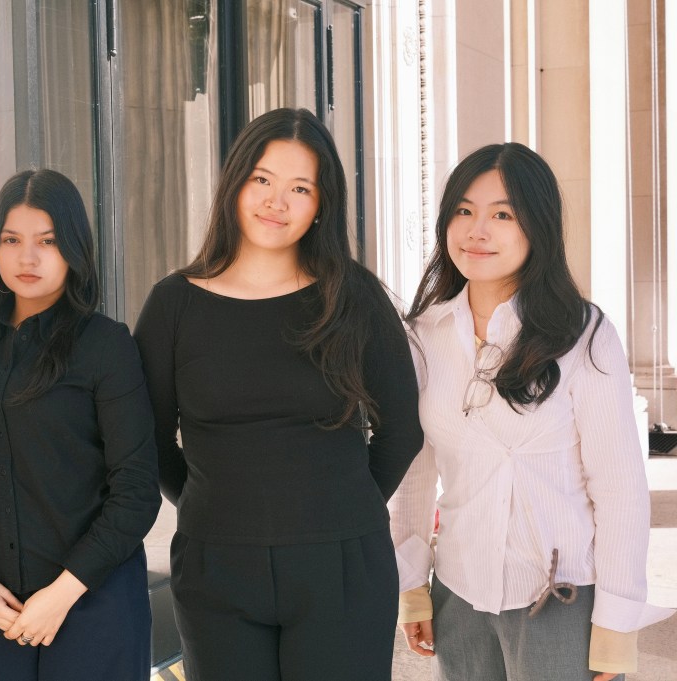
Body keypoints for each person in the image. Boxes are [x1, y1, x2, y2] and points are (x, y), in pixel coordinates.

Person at [134, 107, 424, 680]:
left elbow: (402, 430)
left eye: (300, 188)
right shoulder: (174, 304)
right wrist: (208, 503)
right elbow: (148, 439)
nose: (276, 202)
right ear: (235, 183)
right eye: (262, 179)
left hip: (343, 567)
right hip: (216, 566)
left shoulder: (353, 297)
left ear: (321, 204)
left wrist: (343, 509)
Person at [389, 142, 673, 681]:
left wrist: (616, 623)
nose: (478, 230)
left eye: (503, 215)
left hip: (559, 600)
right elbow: (414, 473)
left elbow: (619, 487)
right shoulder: (423, 336)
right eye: (464, 210)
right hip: (458, 594)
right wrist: (412, 588)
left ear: (537, 228)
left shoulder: (584, 334)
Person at [0, 168, 161, 681]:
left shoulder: (106, 345)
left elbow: (137, 491)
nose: (27, 258)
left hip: (94, 607)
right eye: (12, 240)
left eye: (48, 241)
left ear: (74, 249)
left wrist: (61, 595)